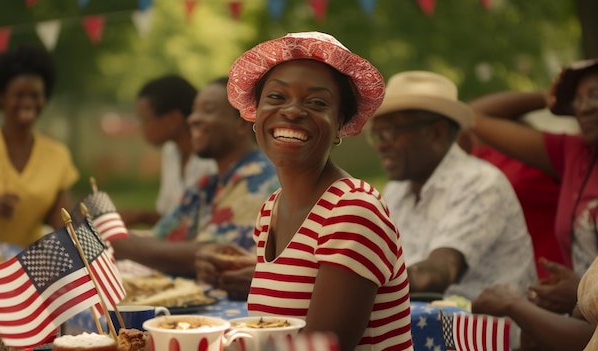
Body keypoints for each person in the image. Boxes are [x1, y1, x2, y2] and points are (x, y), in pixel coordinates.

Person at [227, 32, 413, 351]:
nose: (293, 111)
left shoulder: (354, 209)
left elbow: (322, 346)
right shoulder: (270, 209)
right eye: (276, 97)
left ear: (341, 123)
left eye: (316, 102)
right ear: (255, 116)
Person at [368, 71, 537, 301]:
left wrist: (356, 286)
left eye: (388, 132)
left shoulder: (480, 182)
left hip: (482, 334)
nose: (381, 145)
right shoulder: (396, 191)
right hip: (427, 326)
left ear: (436, 133)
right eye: (377, 134)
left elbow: (436, 276)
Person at [471, 58, 598, 350]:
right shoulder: (573, 153)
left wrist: (581, 292)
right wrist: (547, 98)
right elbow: (474, 115)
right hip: (580, 314)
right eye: (577, 100)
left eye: (595, 95)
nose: (586, 107)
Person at [111, 77, 279, 277]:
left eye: (207, 110)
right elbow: (163, 237)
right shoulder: (208, 183)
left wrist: (117, 240)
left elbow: (213, 255)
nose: (192, 119)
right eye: (195, 110)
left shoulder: (258, 179)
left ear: (242, 124)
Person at [0, 45, 79, 248]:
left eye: (35, 95)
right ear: (1, 97)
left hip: (30, 264)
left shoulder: (58, 155)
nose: (28, 102)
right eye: (19, 95)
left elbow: (62, 223)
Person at [458, 128, 566, 280]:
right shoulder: (481, 156)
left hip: (551, 283)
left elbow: (470, 116)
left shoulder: (542, 161)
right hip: (499, 286)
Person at [118, 75, 216, 227]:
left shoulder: (212, 160)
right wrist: (140, 216)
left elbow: (199, 227)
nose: (142, 128)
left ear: (173, 119)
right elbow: (170, 219)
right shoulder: (170, 152)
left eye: (145, 119)